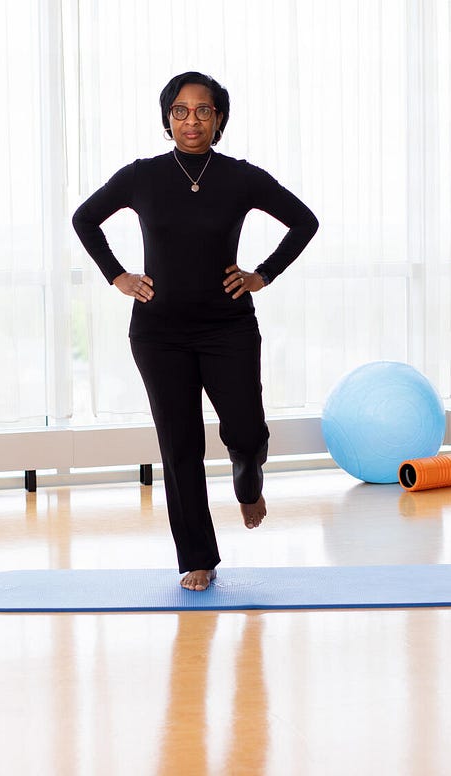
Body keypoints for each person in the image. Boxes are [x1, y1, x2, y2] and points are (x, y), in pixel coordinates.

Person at [72, 71, 318, 591]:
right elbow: (85, 219)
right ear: (167, 118)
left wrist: (262, 275)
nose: (192, 120)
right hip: (158, 334)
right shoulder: (141, 176)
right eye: (180, 111)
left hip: (228, 327)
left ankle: (248, 478)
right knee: (179, 445)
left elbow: (304, 221)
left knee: (246, 431)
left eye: (203, 110)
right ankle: (197, 557)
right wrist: (117, 276)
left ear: (219, 118)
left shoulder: (241, 178)